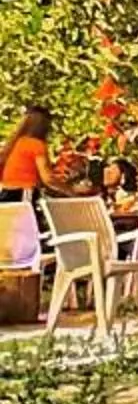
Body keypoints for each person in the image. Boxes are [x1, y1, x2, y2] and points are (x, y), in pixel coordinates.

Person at [1, 104, 61, 276]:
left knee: (8, 248)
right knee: (24, 245)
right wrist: (70, 191)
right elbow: (48, 177)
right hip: (23, 196)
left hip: (6, 197)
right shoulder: (36, 145)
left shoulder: (14, 144)